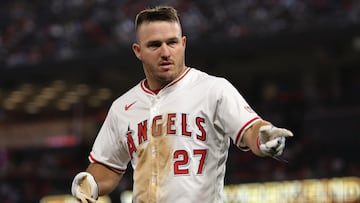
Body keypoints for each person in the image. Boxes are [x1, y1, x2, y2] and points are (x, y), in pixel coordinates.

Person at [71, 6, 293, 203]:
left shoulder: (213, 89)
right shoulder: (123, 106)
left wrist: (264, 134)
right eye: (155, 45)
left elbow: (251, 129)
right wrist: (88, 182)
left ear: (183, 43)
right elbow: (108, 166)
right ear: (138, 51)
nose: (165, 52)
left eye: (172, 42)